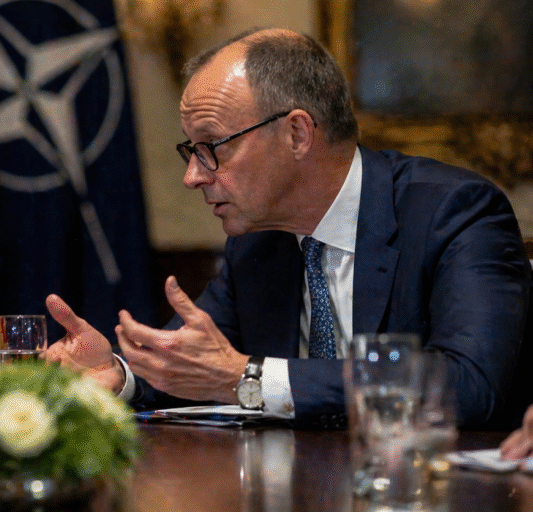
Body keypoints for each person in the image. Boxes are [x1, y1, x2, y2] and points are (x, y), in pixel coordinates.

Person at [45, 28, 532, 429]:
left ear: (297, 133)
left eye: (212, 146)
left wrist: (250, 378)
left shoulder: (453, 212)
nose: (193, 176)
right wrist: (118, 375)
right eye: (190, 151)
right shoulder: (256, 245)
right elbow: (194, 367)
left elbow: (469, 385)